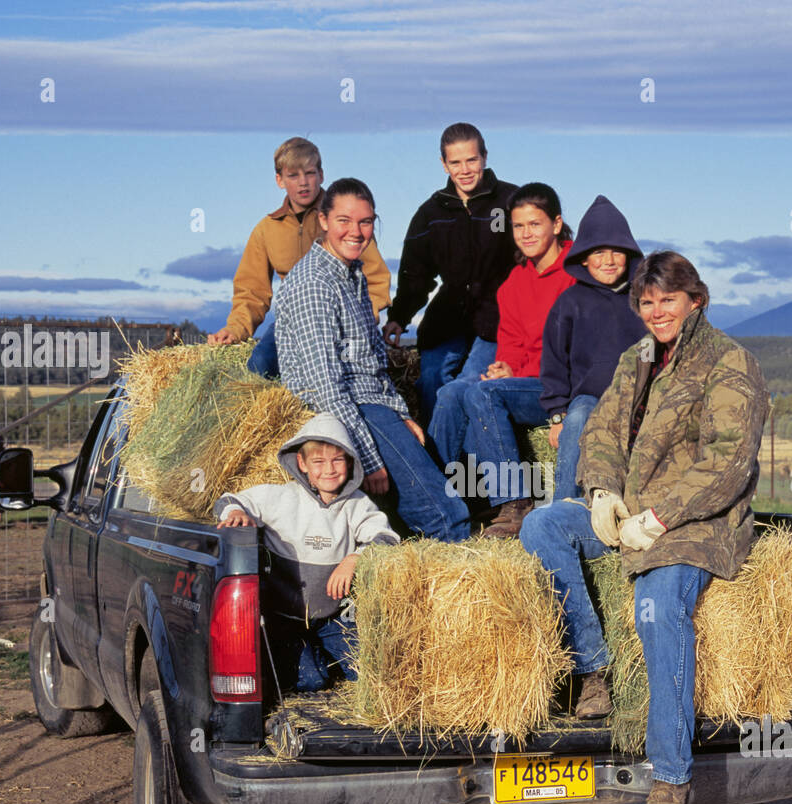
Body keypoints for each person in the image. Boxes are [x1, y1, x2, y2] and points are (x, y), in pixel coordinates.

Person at [518, 251, 770, 804]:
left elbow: (728, 462)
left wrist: (657, 517)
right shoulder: (638, 358)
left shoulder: (731, 364)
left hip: (695, 525)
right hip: (630, 509)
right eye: (648, 302)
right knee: (543, 525)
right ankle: (595, 667)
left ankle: (672, 776)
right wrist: (603, 489)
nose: (657, 312)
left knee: (656, 611)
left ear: (695, 300)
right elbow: (602, 427)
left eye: (669, 301)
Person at [274, 177, 471, 542]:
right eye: (345, 221)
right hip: (351, 408)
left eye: (366, 222)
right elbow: (325, 388)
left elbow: (376, 363)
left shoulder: (354, 275)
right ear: (324, 221)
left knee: (447, 468)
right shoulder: (314, 284)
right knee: (445, 514)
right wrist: (370, 457)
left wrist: (402, 414)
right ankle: (461, 590)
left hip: (375, 404)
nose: (357, 231)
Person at [214, 413, 399, 690]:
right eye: (318, 462)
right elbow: (231, 499)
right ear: (302, 463)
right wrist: (237, 512)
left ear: (350, 461)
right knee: (313, 680)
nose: (329, 469)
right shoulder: (280, 497)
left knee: (368, 674)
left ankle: (325, 652)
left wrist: (355, 558)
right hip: (284, 619)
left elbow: (386, 536)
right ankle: (313, 661)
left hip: (332, 616)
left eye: (338, 460)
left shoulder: (357, 504)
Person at [436, 183, 574, 538]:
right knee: (455, 392)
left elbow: (572, 350)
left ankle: (515, 503)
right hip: (527, 383)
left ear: (556, 224)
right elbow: (510, 344)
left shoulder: (577, 274)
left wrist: (513, 375)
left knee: (482, 395)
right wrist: (505, 368)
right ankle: (442, 500)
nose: (526, 234)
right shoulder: (513, 283)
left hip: (564, 387)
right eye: (518, 226)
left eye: (535, 224)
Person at [207, 137, 392, 378]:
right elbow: (251, 291)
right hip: (294, 323)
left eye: (310, 173)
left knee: (358, 375)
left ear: (322, 175)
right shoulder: (266, 229)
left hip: (346, 320)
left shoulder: (344, 218)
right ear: (279, 180)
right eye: (293, 175)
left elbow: (376, 279)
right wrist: (235, 329)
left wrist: (362, 320)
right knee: (259, 366)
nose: (303, 183)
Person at [381, 123, 518, 423]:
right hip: (449, 317)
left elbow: (534, 255)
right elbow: (416, 273)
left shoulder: (510, 201)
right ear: (443, 164)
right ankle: (435, 461)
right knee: (432, 379)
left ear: (484, 157)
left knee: (469, 385)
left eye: (471, 160)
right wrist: (399, 317)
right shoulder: (431, 213)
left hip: (498, 317)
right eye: (455, 162)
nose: (465, 169)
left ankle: (471, 463)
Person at [539, 195, 648, 501]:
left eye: (617, 251)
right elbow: (554, 363)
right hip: (588, 398)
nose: (609, 260)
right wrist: (558, 415)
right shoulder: (569, 303)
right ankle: (565, 505)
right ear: (584, 257)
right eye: (599, 252)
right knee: (579, 417)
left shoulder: (644, 301)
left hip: (637, 397)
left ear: (630, 255)